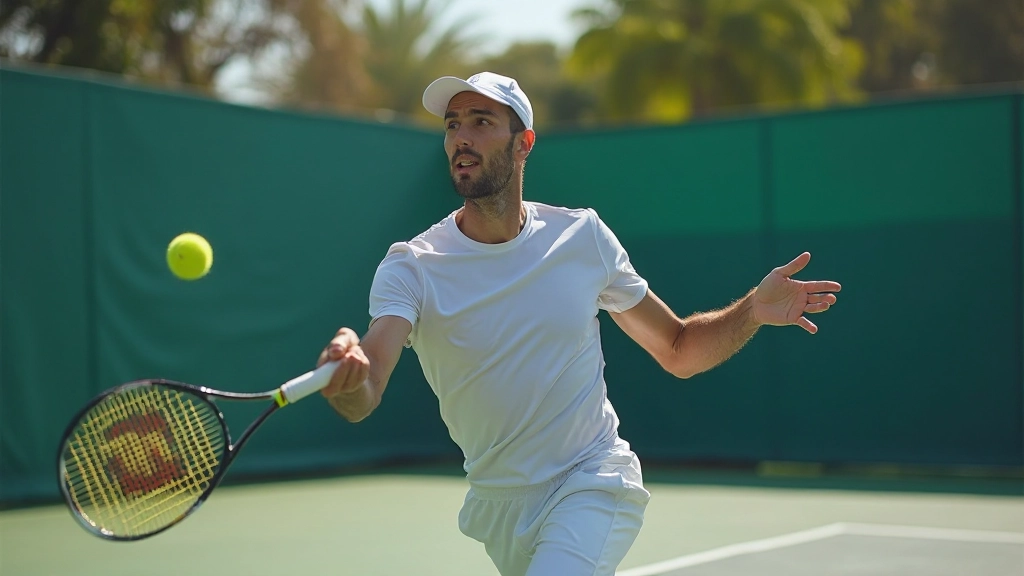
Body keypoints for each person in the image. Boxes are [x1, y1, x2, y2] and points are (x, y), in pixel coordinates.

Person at [315, 72, 841, 576]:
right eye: (453, 124)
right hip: (499, 503)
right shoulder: (411, 266)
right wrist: (348, 376)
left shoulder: (582, 237)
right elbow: (369, 385)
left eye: (481, 121)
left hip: (592, 478)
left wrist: (750, 309)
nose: (461, 137)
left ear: (524, 143)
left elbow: (679, 348)